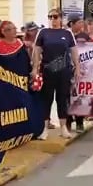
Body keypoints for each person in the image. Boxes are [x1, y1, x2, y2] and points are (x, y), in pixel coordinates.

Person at [32, 8, 80, 139]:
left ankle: (63, 127)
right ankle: (44, 128)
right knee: (46, 99)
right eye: (50, 17)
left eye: (55, 17)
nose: (52, 20)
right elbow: (36, 51)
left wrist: (78, 67)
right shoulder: (43, 32)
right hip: (47, 70)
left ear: (61, 18)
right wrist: (35, 68)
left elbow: (74, 51)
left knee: (62, 98)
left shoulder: (67, 33)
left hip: (64, 70)